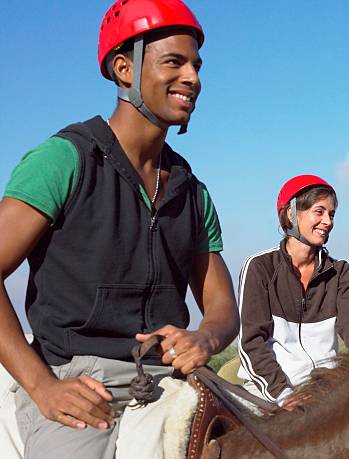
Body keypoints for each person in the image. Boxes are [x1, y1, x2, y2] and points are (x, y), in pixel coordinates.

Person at [0, 1, 239, 457]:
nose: (193, 77)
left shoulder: (192, 190)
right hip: (78, 380)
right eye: (174, 61)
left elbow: (221, 304)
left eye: (196, 65)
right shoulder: (63, 160)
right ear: (124, 68)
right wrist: (43, 387)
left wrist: (205, 338)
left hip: (170, 377)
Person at [237, 174, 349, 408]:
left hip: (325, 391)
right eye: (319, 212)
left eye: (332, 214)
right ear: (291, 213)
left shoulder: (340, 273)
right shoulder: (260, 268)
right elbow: (251, 343)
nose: (328, 221)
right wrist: (284, 395)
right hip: (269, 392)